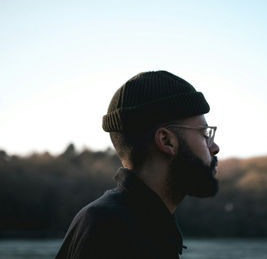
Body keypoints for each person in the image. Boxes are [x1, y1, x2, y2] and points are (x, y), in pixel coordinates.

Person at [55, 71, 220, 259]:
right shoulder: (110, 230)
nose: (214, 147)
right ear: (166, 141)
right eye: (204, 134)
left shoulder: (142, 225)